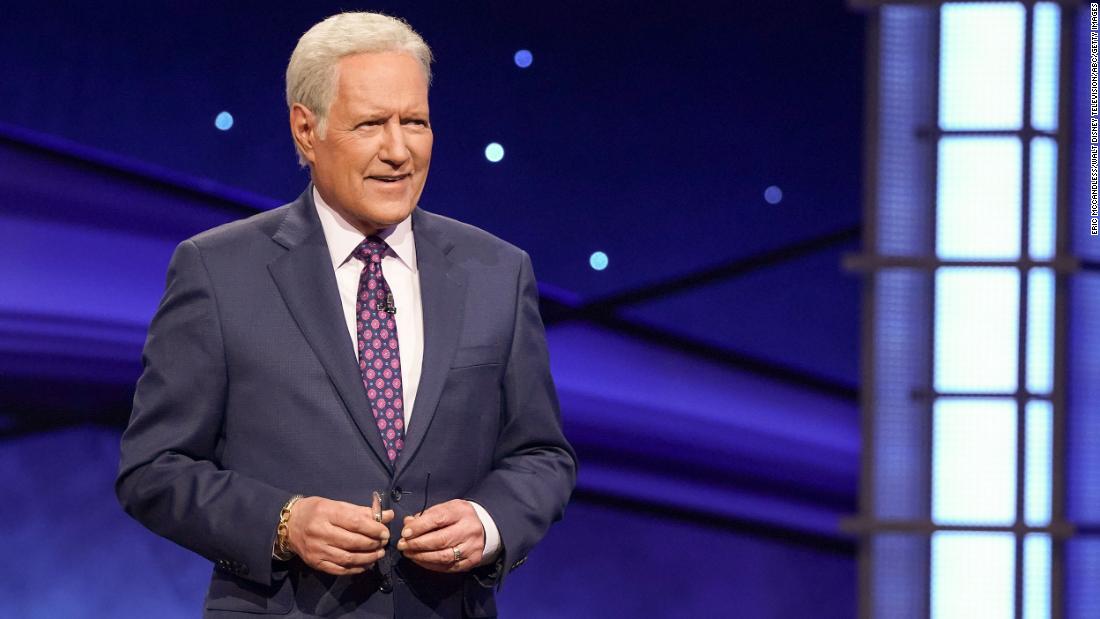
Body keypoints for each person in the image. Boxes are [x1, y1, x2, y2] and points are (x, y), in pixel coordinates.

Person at [115, 11, 577, 618]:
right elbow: (153, 469)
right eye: (370, 124)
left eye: (415, 122)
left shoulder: (498, 271)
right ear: (306, 131)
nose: (399, 150)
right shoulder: (217, 270)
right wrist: (284, 523)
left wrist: (489, 522)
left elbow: (542, 455)